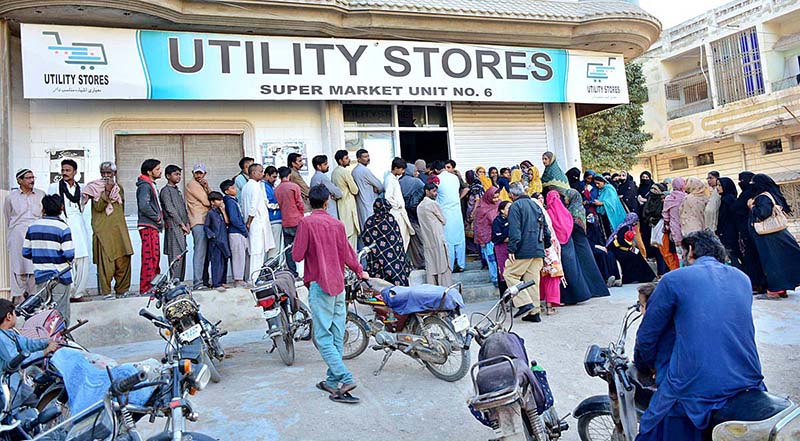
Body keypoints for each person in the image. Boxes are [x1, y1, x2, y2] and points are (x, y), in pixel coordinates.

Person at [634, 230, 765, 441]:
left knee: (651, 427)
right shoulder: (742, 279)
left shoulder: (673, 279)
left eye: (683, 252)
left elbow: (647, 337)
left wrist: (649, 366)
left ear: (691, 250)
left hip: (695, 388)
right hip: (748, 379)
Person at [293, 185, 369, 404]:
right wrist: (360, 271)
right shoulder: (337, 224)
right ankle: (331, 380)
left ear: (310, 203)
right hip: (339, 284)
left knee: (323, 337)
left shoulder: (306, 223)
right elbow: (348, 253)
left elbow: (297, 255)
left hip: (319, 284)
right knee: (336, 334)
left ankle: (345, 377)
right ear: (327, 202)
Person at [83, 162, 133, 298]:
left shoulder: (119, 188)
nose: (106, 176)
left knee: (124, 260)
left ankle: (122, 290)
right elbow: (99, 207)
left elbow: (121, 208)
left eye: (109, 173)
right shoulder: (94, 188)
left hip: (119, 230)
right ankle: (106, 292)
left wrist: (112, 190)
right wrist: (106, 192)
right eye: (103, 173)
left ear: (114, 174)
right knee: (106, 264)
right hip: (103, 231)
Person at [22, 194, 74, 324]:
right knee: (60, 313)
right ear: (61, 208)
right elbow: (69, 254)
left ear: (43, 209)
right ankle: (59, 341)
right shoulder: (63, 228)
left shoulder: (33, 227)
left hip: (41, 276)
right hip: (60, 276)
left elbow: (26, 252)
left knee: (45, 314)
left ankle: (46, 340)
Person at [504, 182, 551, 323]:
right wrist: (545, 245)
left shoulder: (515, 206)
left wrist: (512, 248)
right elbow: (546, 228)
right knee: (532, 281)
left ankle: (524, 303)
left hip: (523, 249)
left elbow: (515, 231)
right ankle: (534, 312)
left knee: (509, 274)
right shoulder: (535, 204)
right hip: (538, 248)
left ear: (512, 194)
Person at [748, 173, 800, 299]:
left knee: (772, 263)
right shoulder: (773, 194)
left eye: (753, 183)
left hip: (769, 237)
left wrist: (751, 207)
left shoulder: (762, 197)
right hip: (777, 235)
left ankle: (776, 289)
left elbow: (763, 213)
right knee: (782, 261)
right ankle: (781, 288)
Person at [0, 299, 60, 407]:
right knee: (11, 413)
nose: (16, 317)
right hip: (6, 385)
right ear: (9, 316)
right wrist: (44, 352)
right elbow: (17, 360)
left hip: (15, 381)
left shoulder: (9, 334)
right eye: (14, 314)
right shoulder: (1, 339)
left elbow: (27, 343)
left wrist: (47, 342)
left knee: (33, 402)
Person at [48, 159, 90, 302]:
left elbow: (82, 206)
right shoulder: (54, 187)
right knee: (66, 258)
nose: (65, 173)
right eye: (63, 170)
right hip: (63, 224)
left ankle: (78, 293)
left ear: (75, 172)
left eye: (68, 170)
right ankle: (67, 293)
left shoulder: (82, 188)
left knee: (82, 258)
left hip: (79, 224)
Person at [544, 190, 593, 305]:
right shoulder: (565, 211)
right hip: (569, 242)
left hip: (557, 244)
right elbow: (570, 224)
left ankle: (566, 297)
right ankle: (580, 294)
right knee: (573, 268)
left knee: (563, 270)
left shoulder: (549, 212)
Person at [4, 169, 45, 302]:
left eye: (33, 177)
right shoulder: (11, 197)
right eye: (28, 178)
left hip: (36, 232)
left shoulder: (41, 194)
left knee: (34, 264)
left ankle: (34, 296)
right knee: (18, 264)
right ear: (19, 180)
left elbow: (44, 213)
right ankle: (19, 296)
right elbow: (8, 216)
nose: (31, 180)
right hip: (18, 232)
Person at [564, 188, 610, 298]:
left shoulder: (574, 210)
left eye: (566, 196)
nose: (564, 199)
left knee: (585, 266)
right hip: (582, 242)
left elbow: (574, 227)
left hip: (578, 242)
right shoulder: (578, 208)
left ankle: (593, 290)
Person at [360, 199, 411, 286]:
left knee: (378, 285)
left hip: (376, 259)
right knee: (395, 278)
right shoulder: (390, 220)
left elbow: (365, 237)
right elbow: (397, 240)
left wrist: (378, 249)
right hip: (393, 259)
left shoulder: (369, 221)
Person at [241, 163, 275, 283]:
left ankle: (253, 277)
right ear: (254, 173)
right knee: (257, 252)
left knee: (254, 251)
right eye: (260, 171)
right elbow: (253, 206)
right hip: (255, 223)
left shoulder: (247, 186)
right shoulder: (255, 186)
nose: (262, 174)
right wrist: (249, 222)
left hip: (253, 222)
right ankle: (254, 278)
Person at [734, 172, 767, 293]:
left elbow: (738, 209)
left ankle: (758, 284)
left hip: (750, 231)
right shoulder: (747, 193)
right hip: (747, 230)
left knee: (752, 258)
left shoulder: (749, 195)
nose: (740, 183)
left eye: (742, 180)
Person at [432, 160, 466, 272]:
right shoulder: (454, 178)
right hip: (457, 211)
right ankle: (461, 264)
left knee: (448, 240)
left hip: (445, 212)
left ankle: (450, 265)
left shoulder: (437, 179)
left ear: (436, 170)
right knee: (460, 239)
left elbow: (435, 195)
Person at [417, 184, 453, 286]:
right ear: (427, 191)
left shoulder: (420, 206)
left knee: (432, 266)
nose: (435, 193)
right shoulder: (433, 204)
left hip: (427, 240)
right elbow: (443, 220)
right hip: (438, 238)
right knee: (443, 266)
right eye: (433, 191)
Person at [136, 159, 163, 294]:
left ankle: (153, 284)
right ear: (149, 171)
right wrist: (157, 217)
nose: (160, 171)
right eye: (157, 169)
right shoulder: (145, 186)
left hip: (152, 225)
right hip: (148, 225)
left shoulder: (150, 184)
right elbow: (144, 205)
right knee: (149, 257)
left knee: (154, 257)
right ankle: (146, 287)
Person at [159, 165, 190, 282]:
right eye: (176, 174)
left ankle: (180, 283)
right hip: (173, 227)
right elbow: (170, 209)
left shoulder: (177, 190)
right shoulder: (165, 191)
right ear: (168, 176)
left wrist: (187, 223)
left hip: (181, 227)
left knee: (182, 255)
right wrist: (181, 224)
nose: (178, 177)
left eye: (179, 174)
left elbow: (183, 208)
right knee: (175, 256)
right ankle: (174, 283)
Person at [606, 213, 656, 284]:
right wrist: (629, 247)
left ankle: (646, 277)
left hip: (620, 249)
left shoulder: (627, 227)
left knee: (637, 255)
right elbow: (620, 241)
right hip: (617, 250)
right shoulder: (625, 228)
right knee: (633, 257)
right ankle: (635, 278)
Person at [535, 192, 562, 314]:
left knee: (539, 278)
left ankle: (539, 306)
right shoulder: (544, 215)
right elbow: (548, 233)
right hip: (548, 250)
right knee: (552, 277)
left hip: (535, 251)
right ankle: (549, 307)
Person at [275, 166, 305, 277]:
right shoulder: (294, 186)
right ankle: (302, 271)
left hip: (285, 221)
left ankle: (293, 271)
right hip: (297, 220)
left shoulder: (277, 189)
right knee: (301, 245)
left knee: (288, 248)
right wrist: (301, 215)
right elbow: (300, 203)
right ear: (289, 175)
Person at [186, 163, 211, 290]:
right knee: (200, 252)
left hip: (204, 221)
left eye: (201, 173)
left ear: (204, 173)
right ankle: (198, 283)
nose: (199, 175)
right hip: (198, 221)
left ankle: (204, 281)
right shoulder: (192, 185)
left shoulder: (202, 185)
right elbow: (208, 201)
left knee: (205, 253)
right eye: (197, 173)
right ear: (193, 173)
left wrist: (207, 187)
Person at [644, 183, 680, 271]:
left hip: (667, 229)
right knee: (662, 251)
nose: (653, 191)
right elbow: (645, 213)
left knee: (670, 251)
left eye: (655, 189)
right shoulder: (650, 200)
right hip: (654, 228)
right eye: (652, 188)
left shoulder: (668, 203)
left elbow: (664, 214)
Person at [221, 180, 248, 287]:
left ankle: (241, 277)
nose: (235, 190)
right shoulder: (230, 202)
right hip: (236, 232)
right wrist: (243, 229)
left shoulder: (233, 200)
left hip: (238, 231)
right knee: (238, 255)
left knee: (242, 255)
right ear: (227, 191)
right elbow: (234, 219)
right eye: (232, 188)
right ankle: (238, 279)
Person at [331, 150, 360, 250]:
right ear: (340, 161)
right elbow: (355, 190)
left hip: (340, 205)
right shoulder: (345, 172)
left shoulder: (334, 173)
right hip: (348, 205)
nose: (349, 160)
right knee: (351, 238)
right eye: (346, 158)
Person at [384, 158, 415, 250]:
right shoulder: (390, 179)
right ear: (396, 168)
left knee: (405, 237)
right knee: (401, 237)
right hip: (396, 213)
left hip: (400, 212)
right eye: (401, 169)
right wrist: (398, 205)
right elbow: (388, 197)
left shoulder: (394, 179)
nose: (403, 171)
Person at [399, 165, 426, 269]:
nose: (417, 173)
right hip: (413, 214)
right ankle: (422, 262)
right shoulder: (416, 182)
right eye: (415, 171)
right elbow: (426, 190)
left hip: (403, 214)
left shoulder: (399, 182)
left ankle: (413, 262)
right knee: (420, 239)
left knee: (409, 241)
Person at [351, 149, 384, 230]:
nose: (368, 158)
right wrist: (376, 188)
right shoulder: (364, 170)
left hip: (361, 203)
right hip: (369, 203)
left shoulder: (354, 171)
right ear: (358, 159)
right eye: (365, 157)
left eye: (368, 156)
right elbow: (380, 186)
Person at [204, 192, 231, 291]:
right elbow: (206, 227)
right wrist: (213, 236)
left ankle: (222, 281)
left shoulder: (220, 212)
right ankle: (216, 283)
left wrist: (223, 211)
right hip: (216, 241)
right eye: (218, 200)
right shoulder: (210, 213)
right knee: (217, 262)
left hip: (224, 239)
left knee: (224, 260)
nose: (221, 202)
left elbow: (227, 222)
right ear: (212, 202)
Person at [585, 212, 621, 286]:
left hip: (600, 246)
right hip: (590, 248)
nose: (591, 218)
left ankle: (616, 278)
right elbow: (587, 241)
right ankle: (607, 277)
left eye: (592, 216)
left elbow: (601, 239)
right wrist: (597, 246)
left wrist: (603, 246)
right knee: (601, 254)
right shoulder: (585, 229)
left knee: (610, 254)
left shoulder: (596, 228)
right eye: (589, 216)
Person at [474, 187, 500, 286]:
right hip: (487, 239)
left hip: (499, 237)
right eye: (494, 198)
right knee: (491, 259)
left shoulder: (499, 204)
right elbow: (479, 225)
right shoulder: (482, 209)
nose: (496, 200)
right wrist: (481, 240)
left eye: (497, 197)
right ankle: (495, 278)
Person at [715, 177, 741, 269]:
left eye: (720, 185)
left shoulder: (727, 200)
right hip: (729, 232)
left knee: (732, 256)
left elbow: (725, 218)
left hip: (729, 233)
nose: (717, 187)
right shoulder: (727, 198)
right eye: (717, 185)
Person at [662, 177, 687, 259]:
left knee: (679, 254)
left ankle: (682, 268)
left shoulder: (669, 198)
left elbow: (665, 214)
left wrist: (667, 225)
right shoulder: (686, 197)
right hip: (687, 227)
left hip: (674, 229)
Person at [263, 166, 283, 260]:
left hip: (275, 218)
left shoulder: (270, 186)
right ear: (267, 175)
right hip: (273, 219)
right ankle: (271, 269)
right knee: (274, 247)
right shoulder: (264, 187)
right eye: (273, 177)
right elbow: (269, 203)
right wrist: (283, 205)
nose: (275, 179)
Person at [492, 201, 512, 293]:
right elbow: (496, 237)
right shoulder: (498, 221)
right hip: (501, 250)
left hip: (513, 249)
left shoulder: (514, 219)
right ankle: (504, 298)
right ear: (502, 210)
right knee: (503, 272)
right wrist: (508, 238)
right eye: (508, 208)